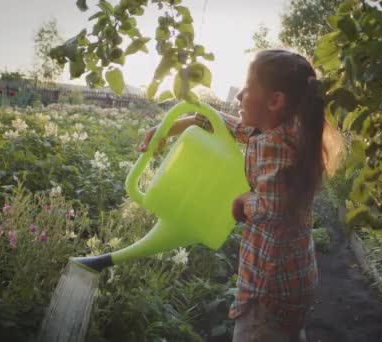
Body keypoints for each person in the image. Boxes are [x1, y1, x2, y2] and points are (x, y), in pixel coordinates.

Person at [139, 49, 343, 342]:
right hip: (292, 279)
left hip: (268, 289)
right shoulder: (280, 132)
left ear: (275, 101)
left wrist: (242, 201)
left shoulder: (277, 144)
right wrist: (176, 126)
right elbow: (230, 125)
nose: (239, 96)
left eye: (248, 88)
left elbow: (271, 209)